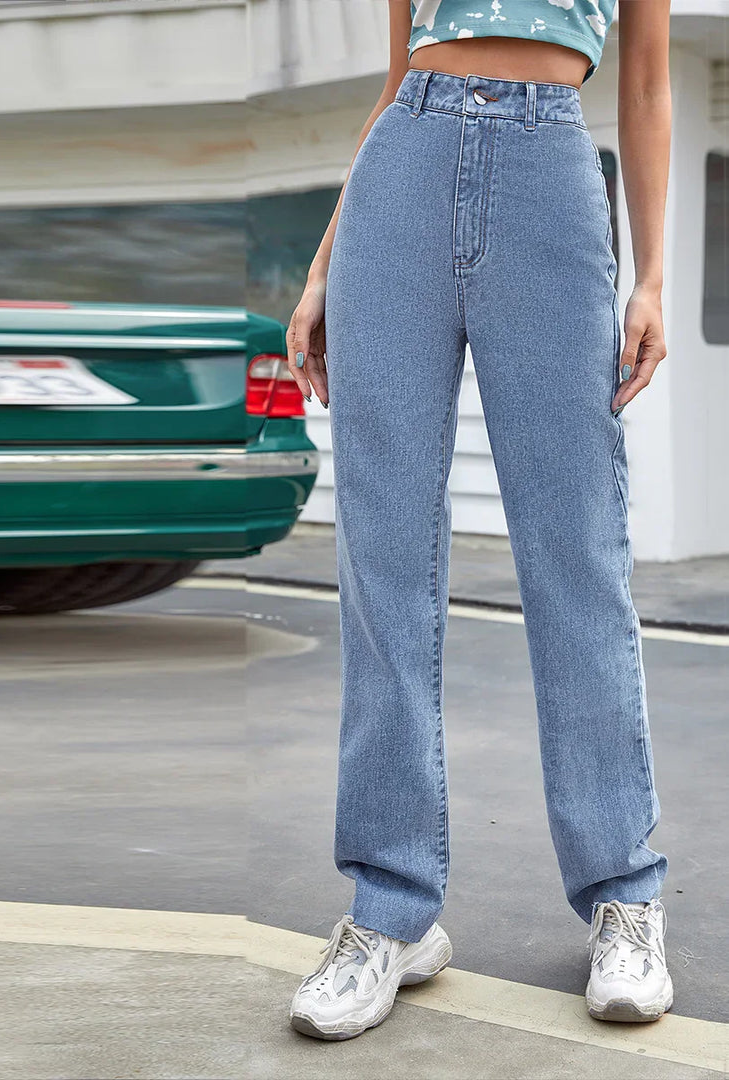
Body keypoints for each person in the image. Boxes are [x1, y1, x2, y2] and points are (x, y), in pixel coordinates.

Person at [285, 0, 673, 1041]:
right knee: (382, 561)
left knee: (577, 554)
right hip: (402, 175)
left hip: (551, 175)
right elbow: (394, 82)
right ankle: (390, 912)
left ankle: (624, 896)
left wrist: (651, 276)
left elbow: (645, 84)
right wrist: (322, 266)